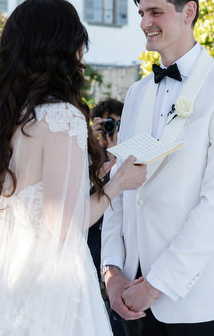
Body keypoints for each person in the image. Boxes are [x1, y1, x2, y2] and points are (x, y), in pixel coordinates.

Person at [0, 0, 147, 335]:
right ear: (62, 48)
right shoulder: (61, 117)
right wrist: (118, 182)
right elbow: (64, 223)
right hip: (52, 291)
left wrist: (89, 184)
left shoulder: (0, 120)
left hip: (7, 290)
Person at [101, 0, 214, 336]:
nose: (144, 23)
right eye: (141, 13)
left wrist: (156, 284)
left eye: (155, 12)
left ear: (189, 11)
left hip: (192, 298)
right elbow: (120, 187)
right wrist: (111, 272)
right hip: (130, 297)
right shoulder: (138, 92)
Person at [90, 98, 126, 336]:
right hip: (89, 249)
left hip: (119, 254)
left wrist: (117, 150)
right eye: (104, 125)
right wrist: (91, 144)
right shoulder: (81, 157)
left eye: (115, 124)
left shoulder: (128, 155)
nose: (109, 130)